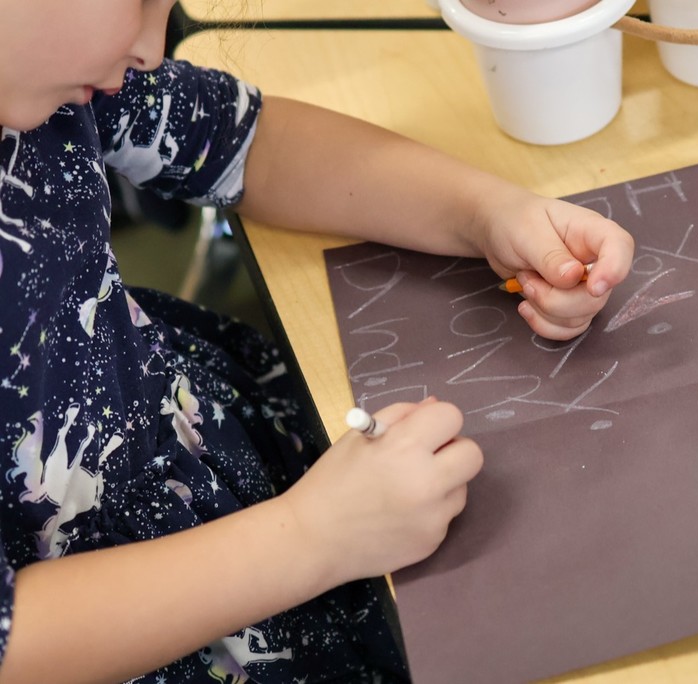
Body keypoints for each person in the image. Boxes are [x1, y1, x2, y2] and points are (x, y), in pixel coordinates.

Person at [0, 1, 635, 682]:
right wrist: (314, 539)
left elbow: (246, 143)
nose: (154, 48)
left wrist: (486, 214)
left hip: (236, 464)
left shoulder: (51, 72)